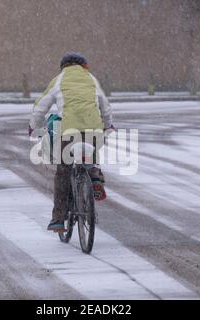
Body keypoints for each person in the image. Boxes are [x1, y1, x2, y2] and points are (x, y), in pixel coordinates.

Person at [29, 52, 114, 232]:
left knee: (63, 170)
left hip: (70, 130)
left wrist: (34, 126)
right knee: (91, 151)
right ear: (84, 66)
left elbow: (40, 107)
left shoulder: (59, 80)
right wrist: (108, 125)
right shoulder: (91, 79)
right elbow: (104, 105)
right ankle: (95, 177)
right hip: (94, 129)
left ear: (63, 66)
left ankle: (59, 219)